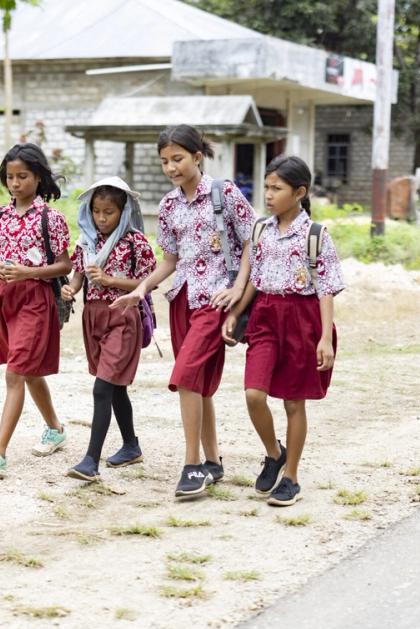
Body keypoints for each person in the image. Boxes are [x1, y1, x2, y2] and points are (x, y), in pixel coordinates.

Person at [113, 124, 255, 499]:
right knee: (200, 386)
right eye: (164, 161)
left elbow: (254, 243)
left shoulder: (225, 194)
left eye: (177, 158)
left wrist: (238, 290)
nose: (171, 167)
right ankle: (213, 461)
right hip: (181, 299)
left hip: (216, 300)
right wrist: (142, 288)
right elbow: (170, 260)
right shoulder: (168, 205)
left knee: (186, 376)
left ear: (197, 156)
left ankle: (192, 465)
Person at [222, 155, 345, 507]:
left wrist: (324, 338)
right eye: (266, 187)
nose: (269, 194)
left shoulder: (316, 235)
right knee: (254, 394)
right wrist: (236, 312)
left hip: (302, 320)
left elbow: (326, 288)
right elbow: (254, 281)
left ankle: (290, 476)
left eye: (277, 188)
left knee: (294, 401)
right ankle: (274, 452)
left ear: (299, 192)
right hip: (264, 317)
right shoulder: (261, 229)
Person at [0, 143, 71, 478]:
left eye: (22, 176)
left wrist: (29, 272)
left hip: (35, 300)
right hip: (3, 298)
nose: (15, 183)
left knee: (15, 373)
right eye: (10, 177)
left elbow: (65, 264)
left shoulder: (50, 219)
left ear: (38, 177)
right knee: (28, 369)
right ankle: (55, 427)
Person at [61, 178, 157, 481]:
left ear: (124, 211)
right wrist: (71, 289)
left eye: (109, 212)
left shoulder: (135, 243)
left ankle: (91, 461)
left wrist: (111, 280)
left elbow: (147, 283)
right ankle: (131, 445)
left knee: (102, 387)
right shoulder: (86, 241)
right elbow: (79, 276)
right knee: (115, 388)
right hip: (94, 318)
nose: (101, 218)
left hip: (123, 317)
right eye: (97, 211)